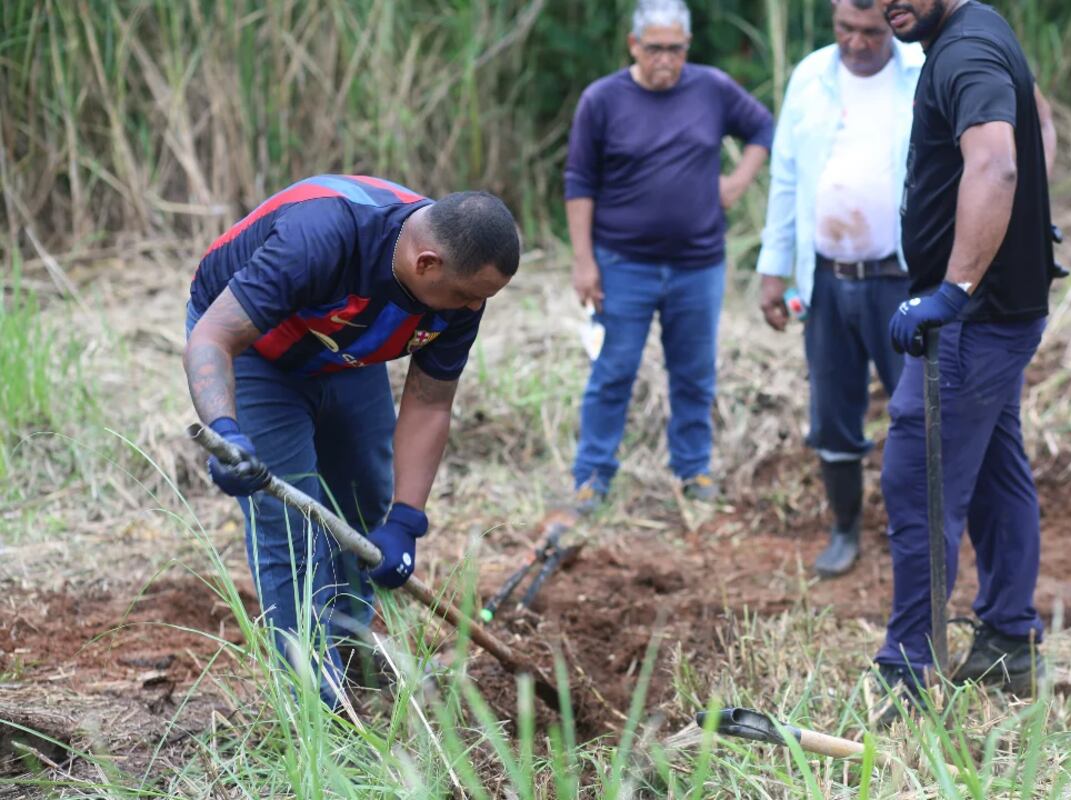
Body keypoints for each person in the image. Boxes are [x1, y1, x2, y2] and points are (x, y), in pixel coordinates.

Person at [183, 175, 519, 707]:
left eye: (484, 298)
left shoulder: (461, 289)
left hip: (345, 349)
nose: (474, 309)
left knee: (363, 495)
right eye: (467, 296)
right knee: (289, 526)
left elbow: (430, 402)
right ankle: (314, 700)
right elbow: (213, 337)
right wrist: (226, 430)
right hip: (255, 350)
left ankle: (353, 651)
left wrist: (407, 519)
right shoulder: (321, 236)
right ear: (426, 264)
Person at [872, 0, 1059, 719]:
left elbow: (997, 165)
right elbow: (1036, 119)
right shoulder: (979, 28)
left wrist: (956, 285)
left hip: (973, 320)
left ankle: (910, 667)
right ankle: (1009, 640)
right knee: (993, 469)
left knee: (918, 476)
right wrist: (1026, 232)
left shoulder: (965, 52)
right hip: (1001, 306)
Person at [564, 0, 774, 512]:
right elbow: (579, 182)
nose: (665, 59)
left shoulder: (712, 89)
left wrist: (737, 182)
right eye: (654, 48)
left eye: (675, 49)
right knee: (613, 371)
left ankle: (693, 470)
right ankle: (592, 478)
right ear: (634, 46)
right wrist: (584, 261)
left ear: (687, 48)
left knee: (694, 373)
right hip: (622, 264)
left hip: (698, 264)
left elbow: (763, 129)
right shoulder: (602, 100)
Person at [757, 0, 924, 578]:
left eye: (871, 32)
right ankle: (846, 528)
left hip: (900, 276)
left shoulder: (923, 69)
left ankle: (921, 536)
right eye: (845, 29)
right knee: (832, 410)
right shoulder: (811, 75)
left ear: (894, 23)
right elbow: (785, 176)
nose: (856, 43)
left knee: (917, 408)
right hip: (826, 277)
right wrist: (772, 268)